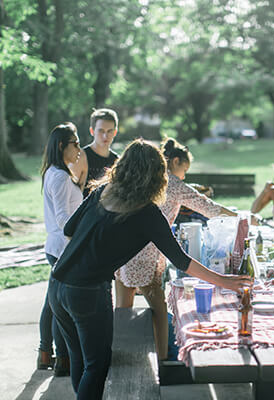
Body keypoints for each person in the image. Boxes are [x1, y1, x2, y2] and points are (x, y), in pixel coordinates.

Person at [48, 139, 251, 399]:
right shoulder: (147, 213)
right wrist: (226, 282)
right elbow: (181, 260)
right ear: (156, 176)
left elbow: (69, 230)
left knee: (81, 359)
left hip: (57, 284)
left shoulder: (102, 192)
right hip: (87, 292)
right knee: (96, 365)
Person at [114, 137, 237, 360]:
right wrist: (239, 217)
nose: (185, 176)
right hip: (147, 254)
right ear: (176, 161)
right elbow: (208, 208)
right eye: (185, 170)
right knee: (160, 311)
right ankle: (162, 358)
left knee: (123, 310)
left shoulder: (142, 180)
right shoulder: (174, 184)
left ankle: (122, 356)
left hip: (124, 251)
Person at [37, 123, 83, 376]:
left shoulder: (54, 173)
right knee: (59, 308)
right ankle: (62, 359)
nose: (78, 148)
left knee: (51, 304)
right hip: (62, 249)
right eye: (74, 143)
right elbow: (65, 221)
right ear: (60, 146)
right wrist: (86, 230)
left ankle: (46, 353)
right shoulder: (61, 177)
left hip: (56, 248)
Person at [69, 108, 119, 197]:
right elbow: (69, 194)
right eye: (101, 131)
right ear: (92, 131)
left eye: (109, 131)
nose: (105, 136)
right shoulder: (80, 157)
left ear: (115, 132)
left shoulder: (117, 161)